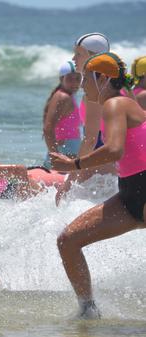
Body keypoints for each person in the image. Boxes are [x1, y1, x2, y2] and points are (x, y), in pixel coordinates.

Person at [50, 52, 146, 319]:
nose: (82, 85)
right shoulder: (118, 104)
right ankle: (88, 311)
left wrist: (73, 165)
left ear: (103, 78)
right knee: (68, 241)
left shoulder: (116, 104)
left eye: (86, 79)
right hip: (129, 194)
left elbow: (114, 150)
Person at [57, 33, 114, 203]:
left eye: (79, 54)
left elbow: (90, 140)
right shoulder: (113, 84)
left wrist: (69, 183)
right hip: (113, 165)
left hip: (103, 166)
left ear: (93, 56)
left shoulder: (95, 93)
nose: (73, 58)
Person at [42, 61, 82, 168]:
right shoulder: (63, 97)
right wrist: (55, 157)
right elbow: (48, 129)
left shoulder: (69, 96)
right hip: (65, 153)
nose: (74, 83)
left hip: (68, 152)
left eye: (77, 78)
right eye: (70, 78)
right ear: (61, 79)